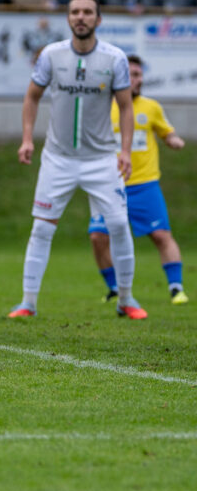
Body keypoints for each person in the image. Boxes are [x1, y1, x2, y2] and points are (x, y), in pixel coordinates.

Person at [9, 0, 144, 320]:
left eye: (87, 12)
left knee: (118, 225)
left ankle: (126, 299)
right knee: (42, 228)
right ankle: (28, 303)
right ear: (68, 18)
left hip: (102, 160)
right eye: (75, 12)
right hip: (58, 159)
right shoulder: (51, 55)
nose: (80, 17)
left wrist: (125, 151)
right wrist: (27, 139)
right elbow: (31, 97)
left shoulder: (115, 58)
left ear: (98, 19)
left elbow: (126, 107)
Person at [88, 55, 188, 306]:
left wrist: (174, 140)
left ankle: (176, 288)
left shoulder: (151, 107)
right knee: (98, 237)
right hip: (109, 185)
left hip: (145, 184)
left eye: (139, 75)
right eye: (132, 75)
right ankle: (114, 288)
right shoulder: (102, 107)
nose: (138, 80)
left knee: (161, 235)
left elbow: (167, 132)